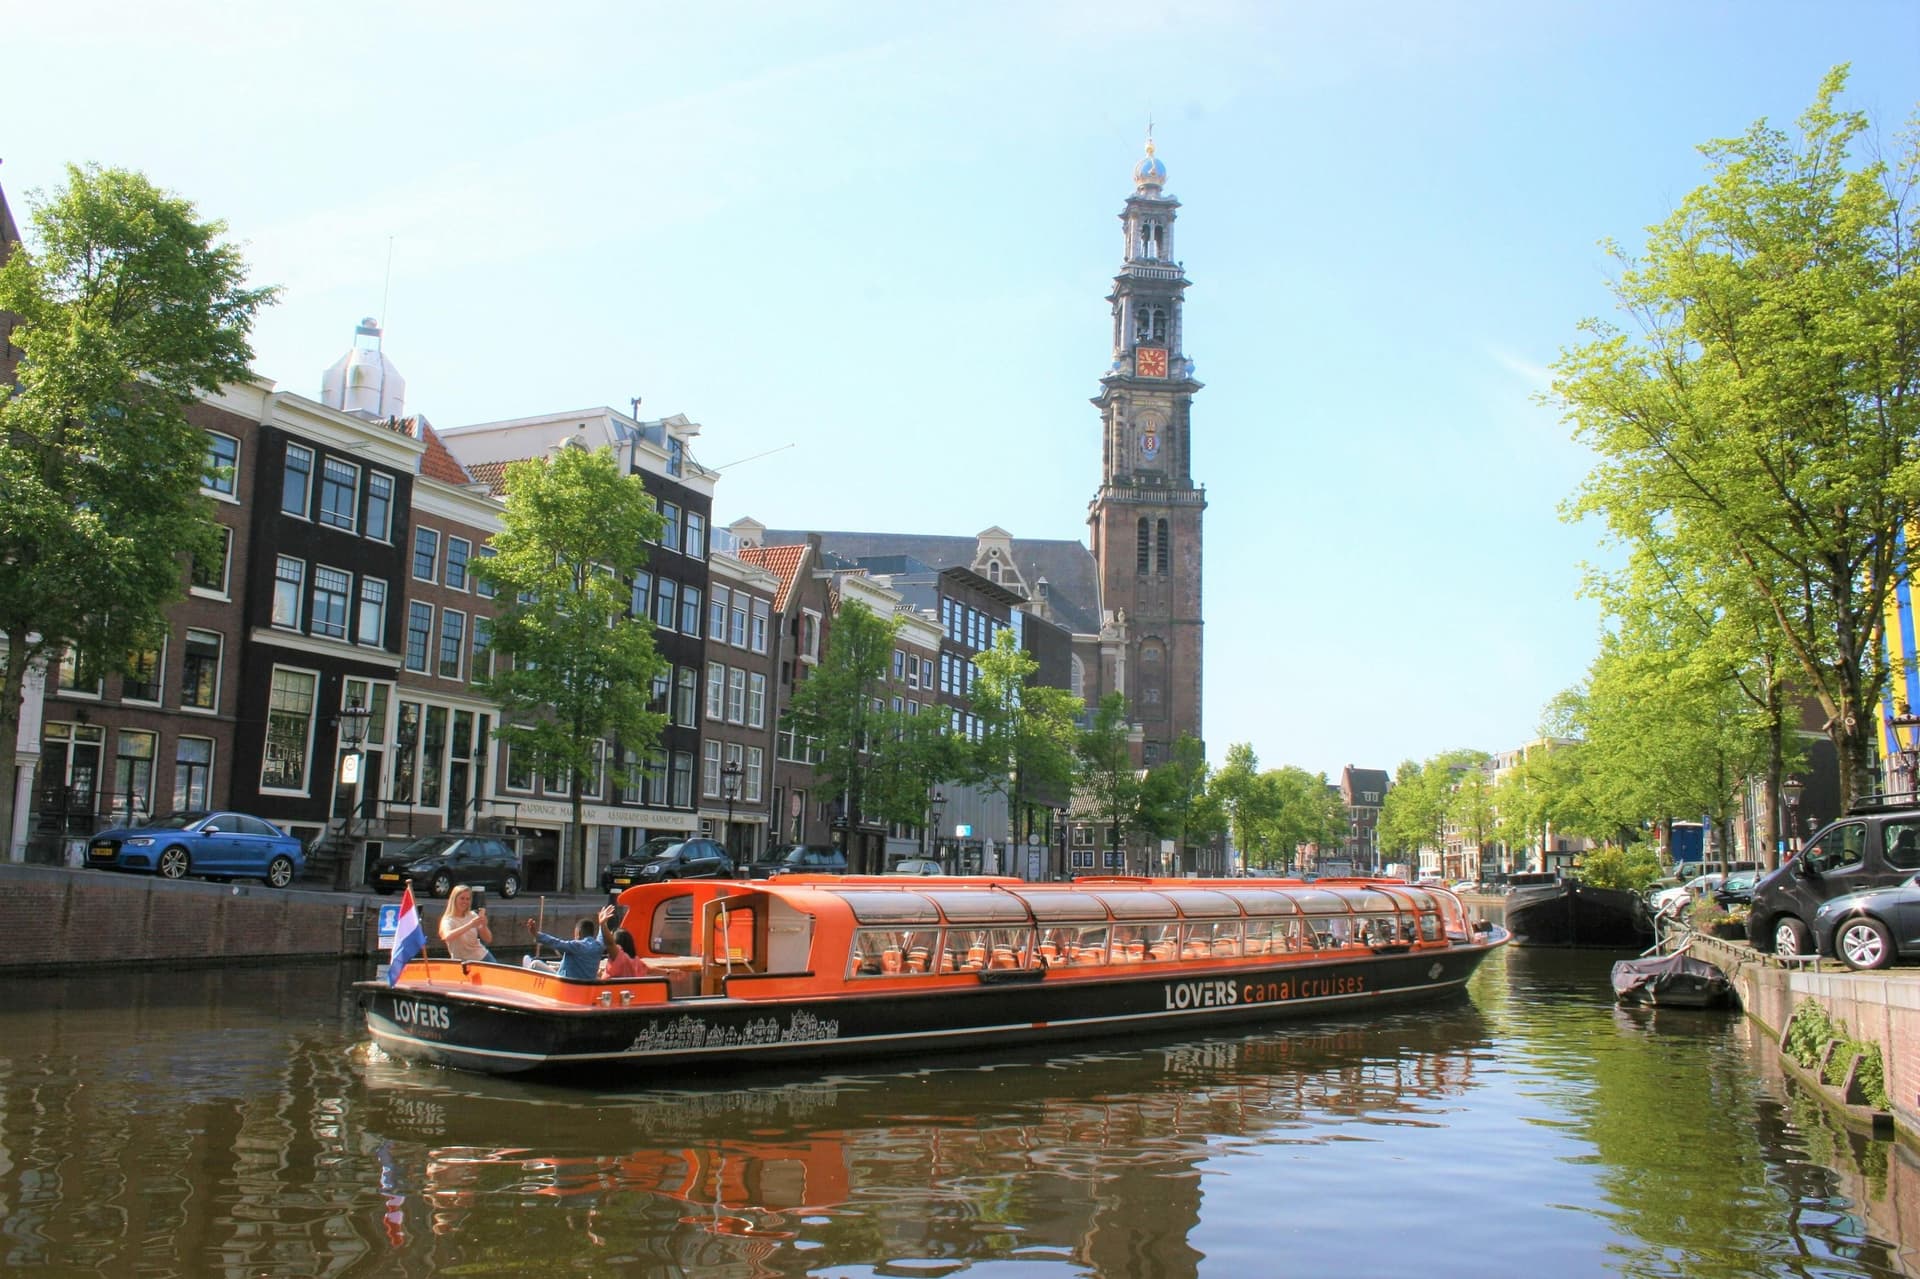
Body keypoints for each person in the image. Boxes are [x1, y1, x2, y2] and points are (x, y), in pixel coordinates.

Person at [526, 904, 617, 981]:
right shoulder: (598, 946)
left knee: (533, 963)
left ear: (578, 933)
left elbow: (555, 942)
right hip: (586, 985)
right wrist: (602, 923)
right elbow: (602, 936)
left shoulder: (576, 946)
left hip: (565, 983)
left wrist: (536, 934)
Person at [439, 885, 494, 963]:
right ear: (454, 899)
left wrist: (484, 926)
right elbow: (447, 936)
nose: (465, 901)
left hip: (482, 957)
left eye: (467, 899)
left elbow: (488, 939)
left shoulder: (472, 915)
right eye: (462, 898)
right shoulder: (448, 920)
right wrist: (470, 925)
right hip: (460, 961)